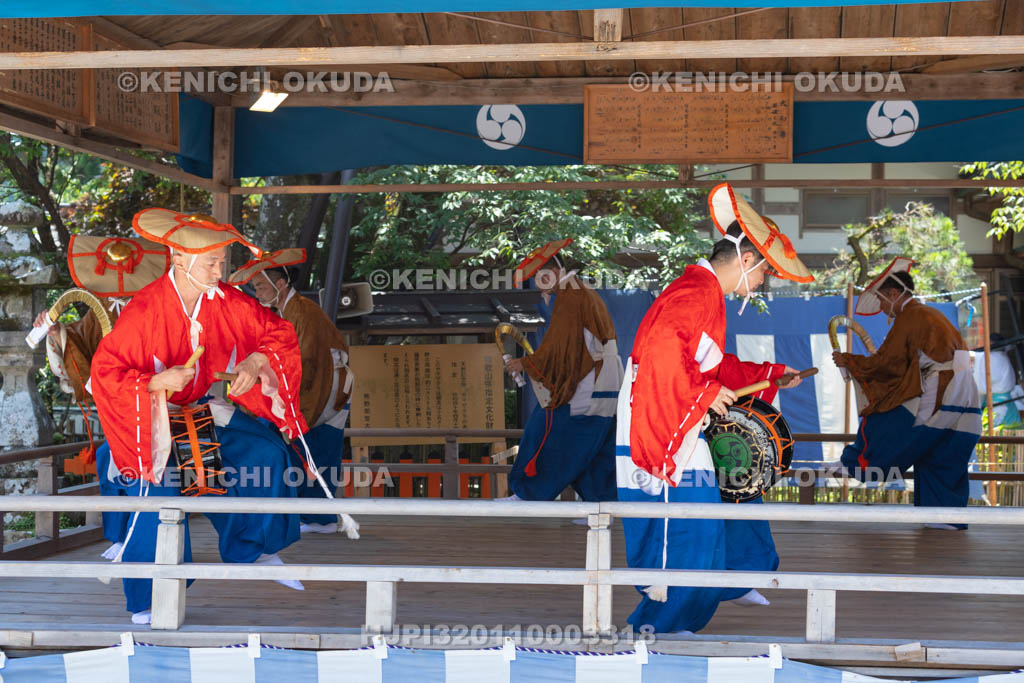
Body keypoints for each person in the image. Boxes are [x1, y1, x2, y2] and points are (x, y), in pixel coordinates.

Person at [90, 209, 308, 624]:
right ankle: (149, 596)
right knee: (159, 490)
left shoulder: (224, 299)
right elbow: (106, 372)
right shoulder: (146, 308)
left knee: (266, 453)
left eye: (221, 261)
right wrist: (158, 382)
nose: (218, 269)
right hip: (152, 415)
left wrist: (254, 362)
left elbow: (277, 333)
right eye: (210, 261)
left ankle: (254, 549)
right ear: (178, 258)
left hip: (205, 407)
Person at [616, 183, 811, 634]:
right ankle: (661, 625)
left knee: (736, 493)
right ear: (745, 261)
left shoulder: (703, 292)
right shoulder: (694, 293)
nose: (764, 281)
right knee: (692, 525)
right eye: (763, 272)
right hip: (662, 425)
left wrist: (773, 371)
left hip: (676, 416)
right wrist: (704, 395)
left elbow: (713, 364)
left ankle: (732, 580)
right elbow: (665, 352)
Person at [32, 235, 171, 558]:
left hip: (157, 399)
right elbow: (80, 339)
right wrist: (58, 332)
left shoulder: (157, 306)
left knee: (142, 469)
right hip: (118, 403)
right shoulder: (101, 309)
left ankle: (141, 538)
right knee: (111, 460)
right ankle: (120, 537)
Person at [834, 258, 982, 529]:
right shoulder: (932, 314)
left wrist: (850, 361)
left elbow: (887, 363)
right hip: (966, 388)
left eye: (881, 300)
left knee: (886, 420)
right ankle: (946, 519)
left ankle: (857, 461)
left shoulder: (910, 316)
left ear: (893, 294)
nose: (880, 308)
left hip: (941, 388)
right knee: (946, 448)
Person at [231, 250, 359, 537]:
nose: (258, 292)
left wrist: (294, 412)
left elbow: (307, 363)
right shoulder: (288, 311)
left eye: (262, 286)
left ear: (279, 284)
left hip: (323, 388)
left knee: (315, 450)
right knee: (315, 452)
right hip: (320, 388)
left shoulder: (302, 312)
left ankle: (318, 518)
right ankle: (316, 516)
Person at [501, 238, 624, 502]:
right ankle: (602, 506)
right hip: (607, 381)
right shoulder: (581, 291)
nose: (537, 283)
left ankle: (528, 493)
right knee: (596, 447)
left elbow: (560, 344)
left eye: (541, 275)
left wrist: (526, 363)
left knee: (546, 431)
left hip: (590, 383)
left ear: (556, 272)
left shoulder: (571, 294)